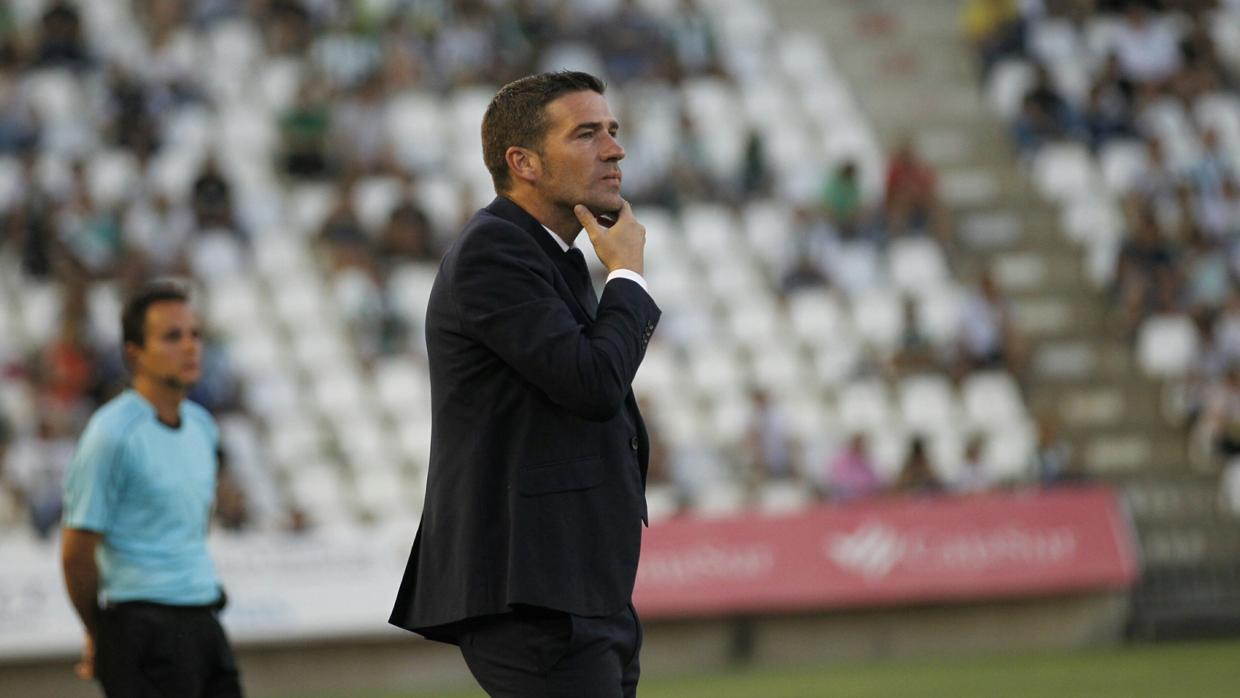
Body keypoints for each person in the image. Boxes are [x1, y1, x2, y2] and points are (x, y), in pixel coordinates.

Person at [388, 71, 660, 697]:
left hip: (574, 584)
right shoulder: (494, 253)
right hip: (531, 590)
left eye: (612, 132)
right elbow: (593, 383)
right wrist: (628, 277)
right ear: (524, 163)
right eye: (587, 134)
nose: (614, 150)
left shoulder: (547, 254)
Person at [60, 281, 243, 697]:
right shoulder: (111, 434)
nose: (191, 347)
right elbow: (76, 553)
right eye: (172, 336)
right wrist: (99, 632)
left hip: (204, 620)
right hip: (141, 629)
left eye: (195, 334)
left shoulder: (202, 426)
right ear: (134, 353)